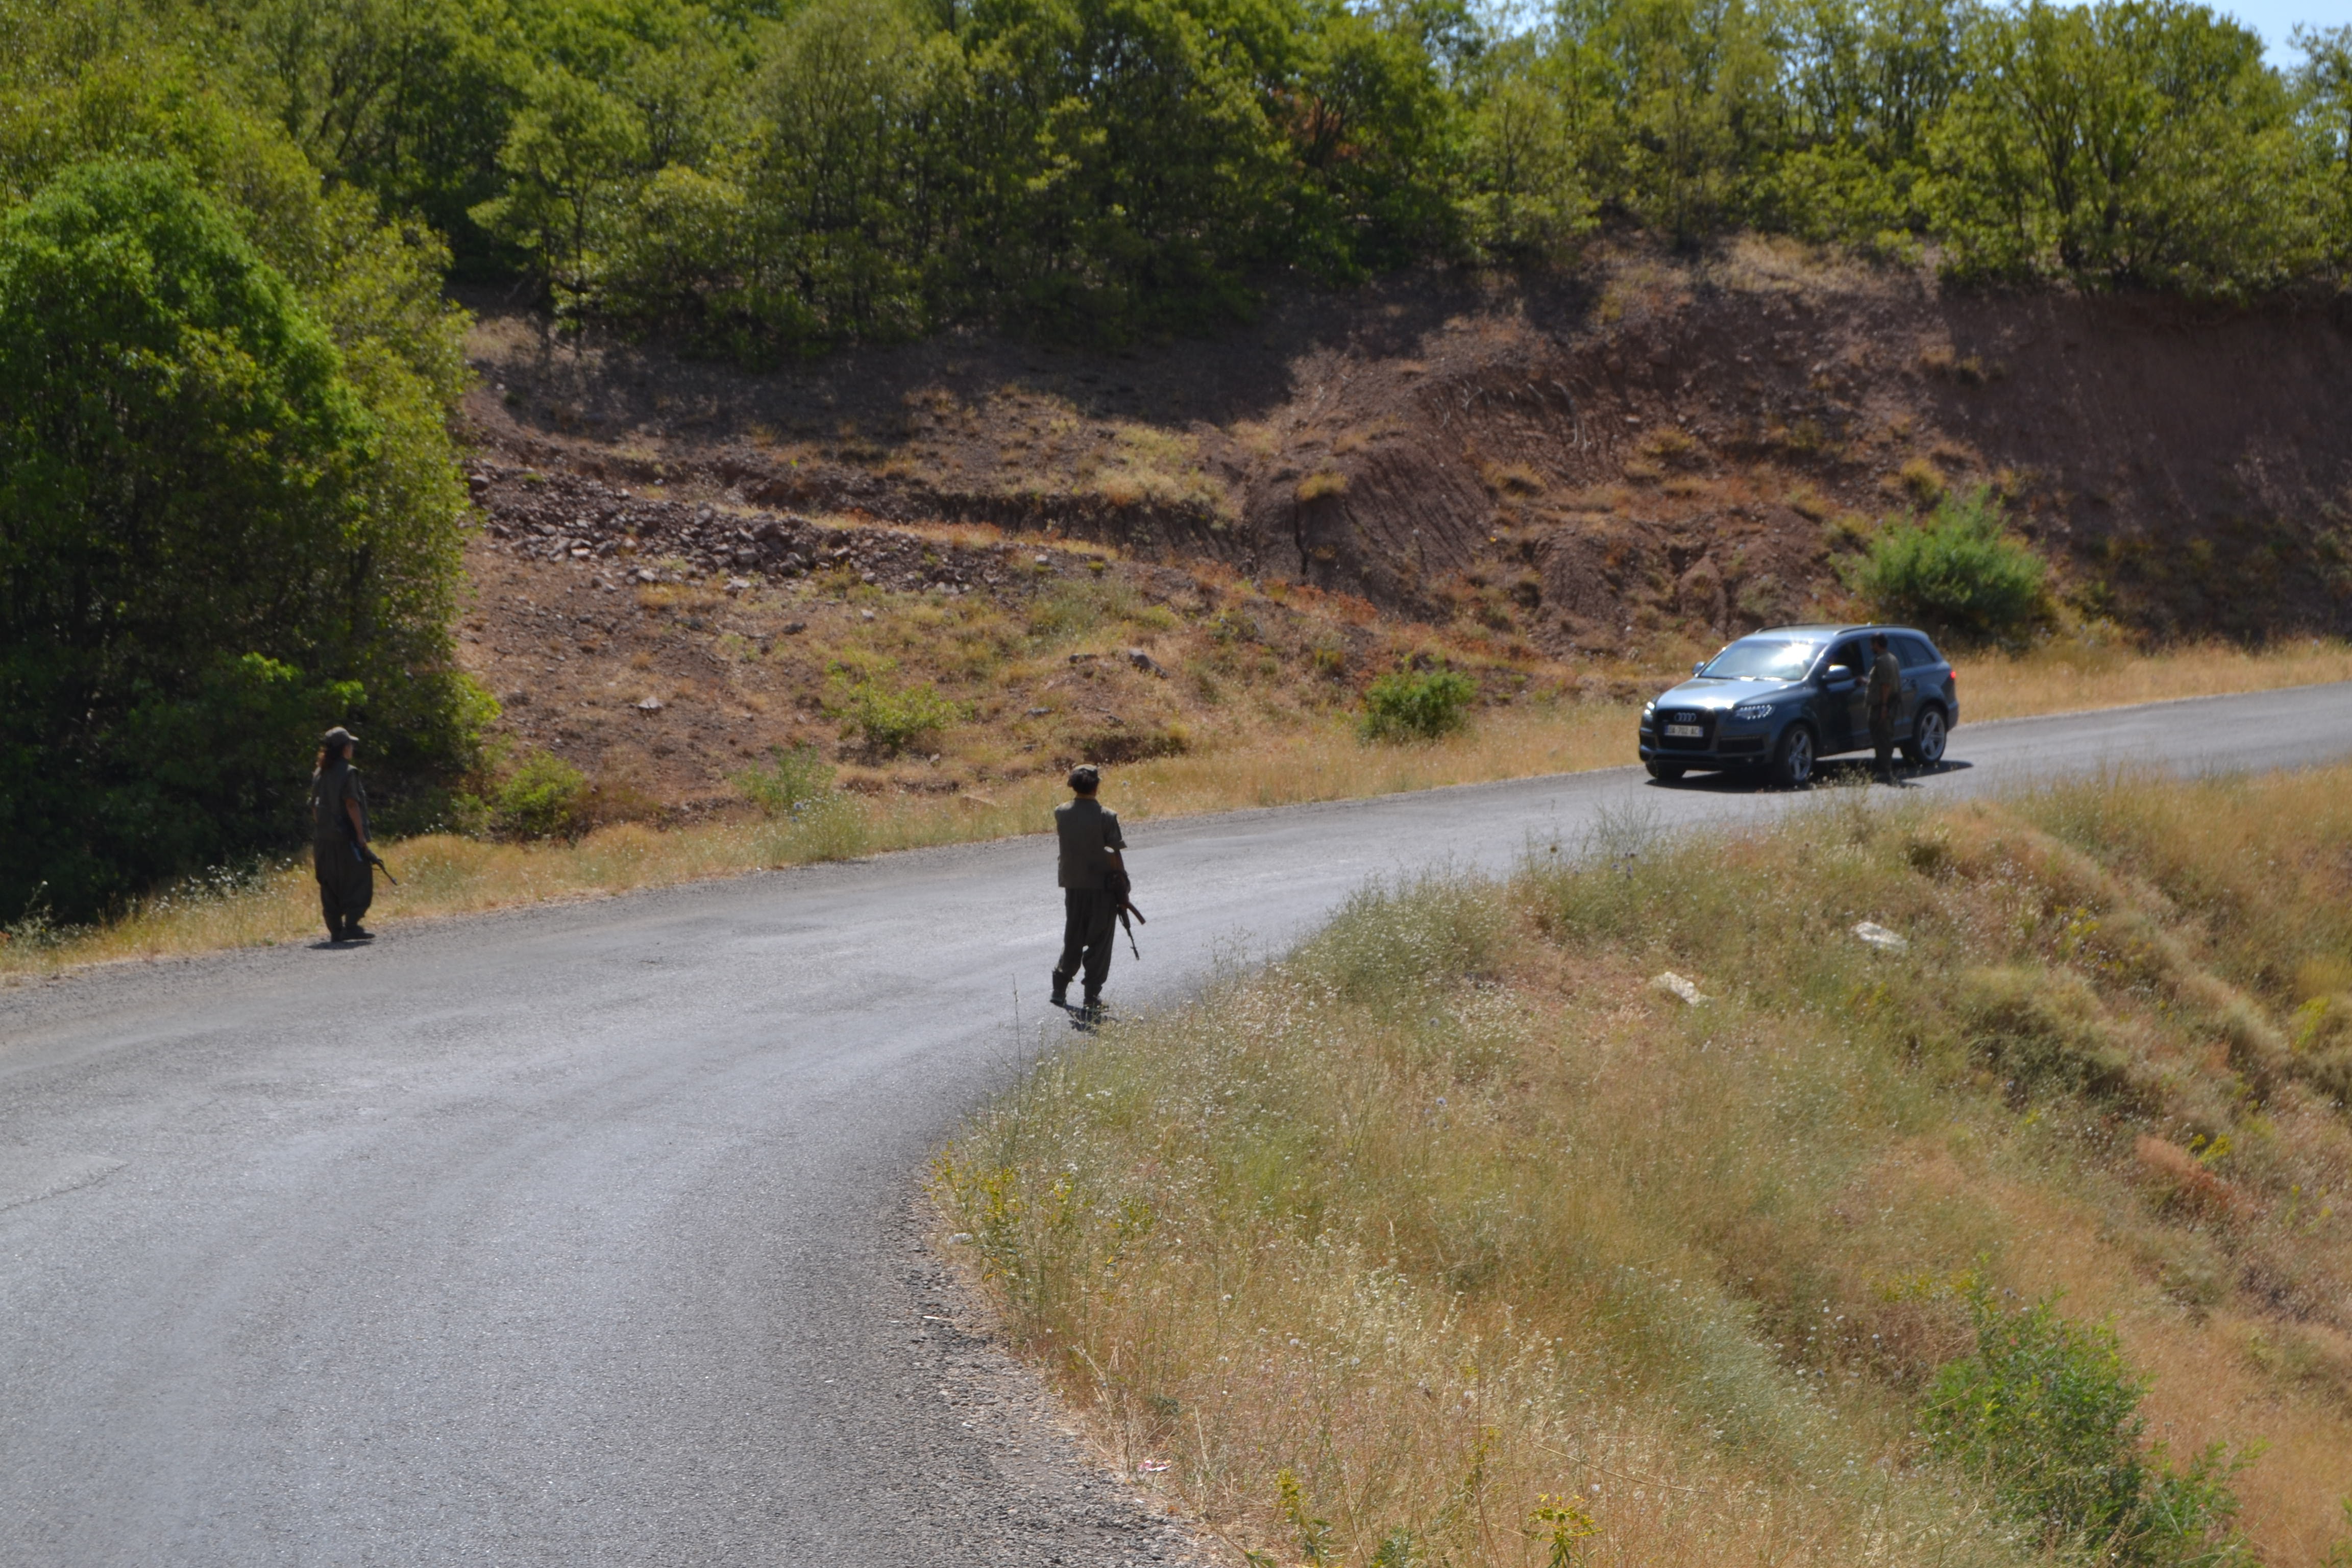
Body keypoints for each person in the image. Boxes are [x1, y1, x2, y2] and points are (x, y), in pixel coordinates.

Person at [1050, 763, 1127, 1018]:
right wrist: (1124, 890)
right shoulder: (1107, 816)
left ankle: (1059, 989)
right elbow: (1115, 855)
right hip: (1102, 887)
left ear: (1073, 785)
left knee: (1073, 936)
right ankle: (1091, 997)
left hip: (1073, 885)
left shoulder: (1061, 813)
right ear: (1097, 786)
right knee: (1100, 943)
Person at [311, 726, 375, 942]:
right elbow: (351, 804)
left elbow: (314, 808)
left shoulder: (319, 773)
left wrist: (325, 829)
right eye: (351, 745)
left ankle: (336, 929)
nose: (352, 748)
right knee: (359, 878)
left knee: (329, 882)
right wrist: (361, 836)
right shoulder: (348, 772)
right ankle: (352, 925)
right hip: (346, 839)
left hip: (323, 840)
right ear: (344, 748)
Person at [1866, 631, 1903, 784]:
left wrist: (1883, 707)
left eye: (1872, 644)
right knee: (1883, 736)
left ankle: (1885, 770)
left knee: (1882, 737)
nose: (1871, 647)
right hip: (1889, 704)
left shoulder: (1882, 661)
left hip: (1883, 705)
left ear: (1877, 644)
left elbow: (1886, 685)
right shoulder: (1892, 658)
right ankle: (1882, 768)